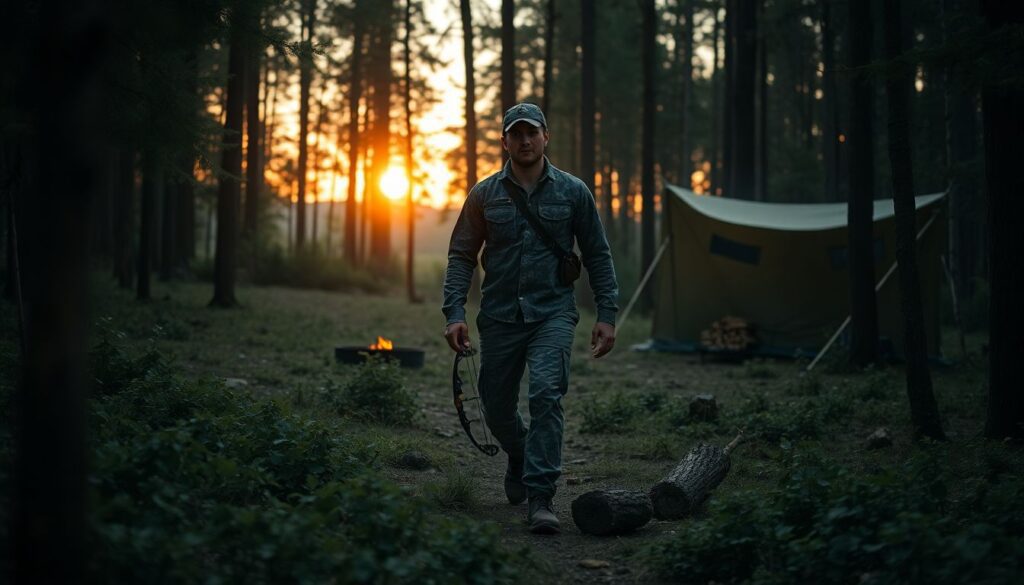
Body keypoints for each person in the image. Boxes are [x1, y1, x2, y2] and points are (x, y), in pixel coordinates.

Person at [442, 102, 619, 534]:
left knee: (545, 395)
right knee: (497, 406)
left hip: (553, 314)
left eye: (532, 133)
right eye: (516, 134)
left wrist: (607, 312)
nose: (524, 140)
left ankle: (541, 496)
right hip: (499, 316)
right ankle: (520, 455)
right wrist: (454, 312)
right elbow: (462, 254)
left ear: (545, 137)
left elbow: (596, 253)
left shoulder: (574, 191)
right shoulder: (484, 194)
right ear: (504, 141)